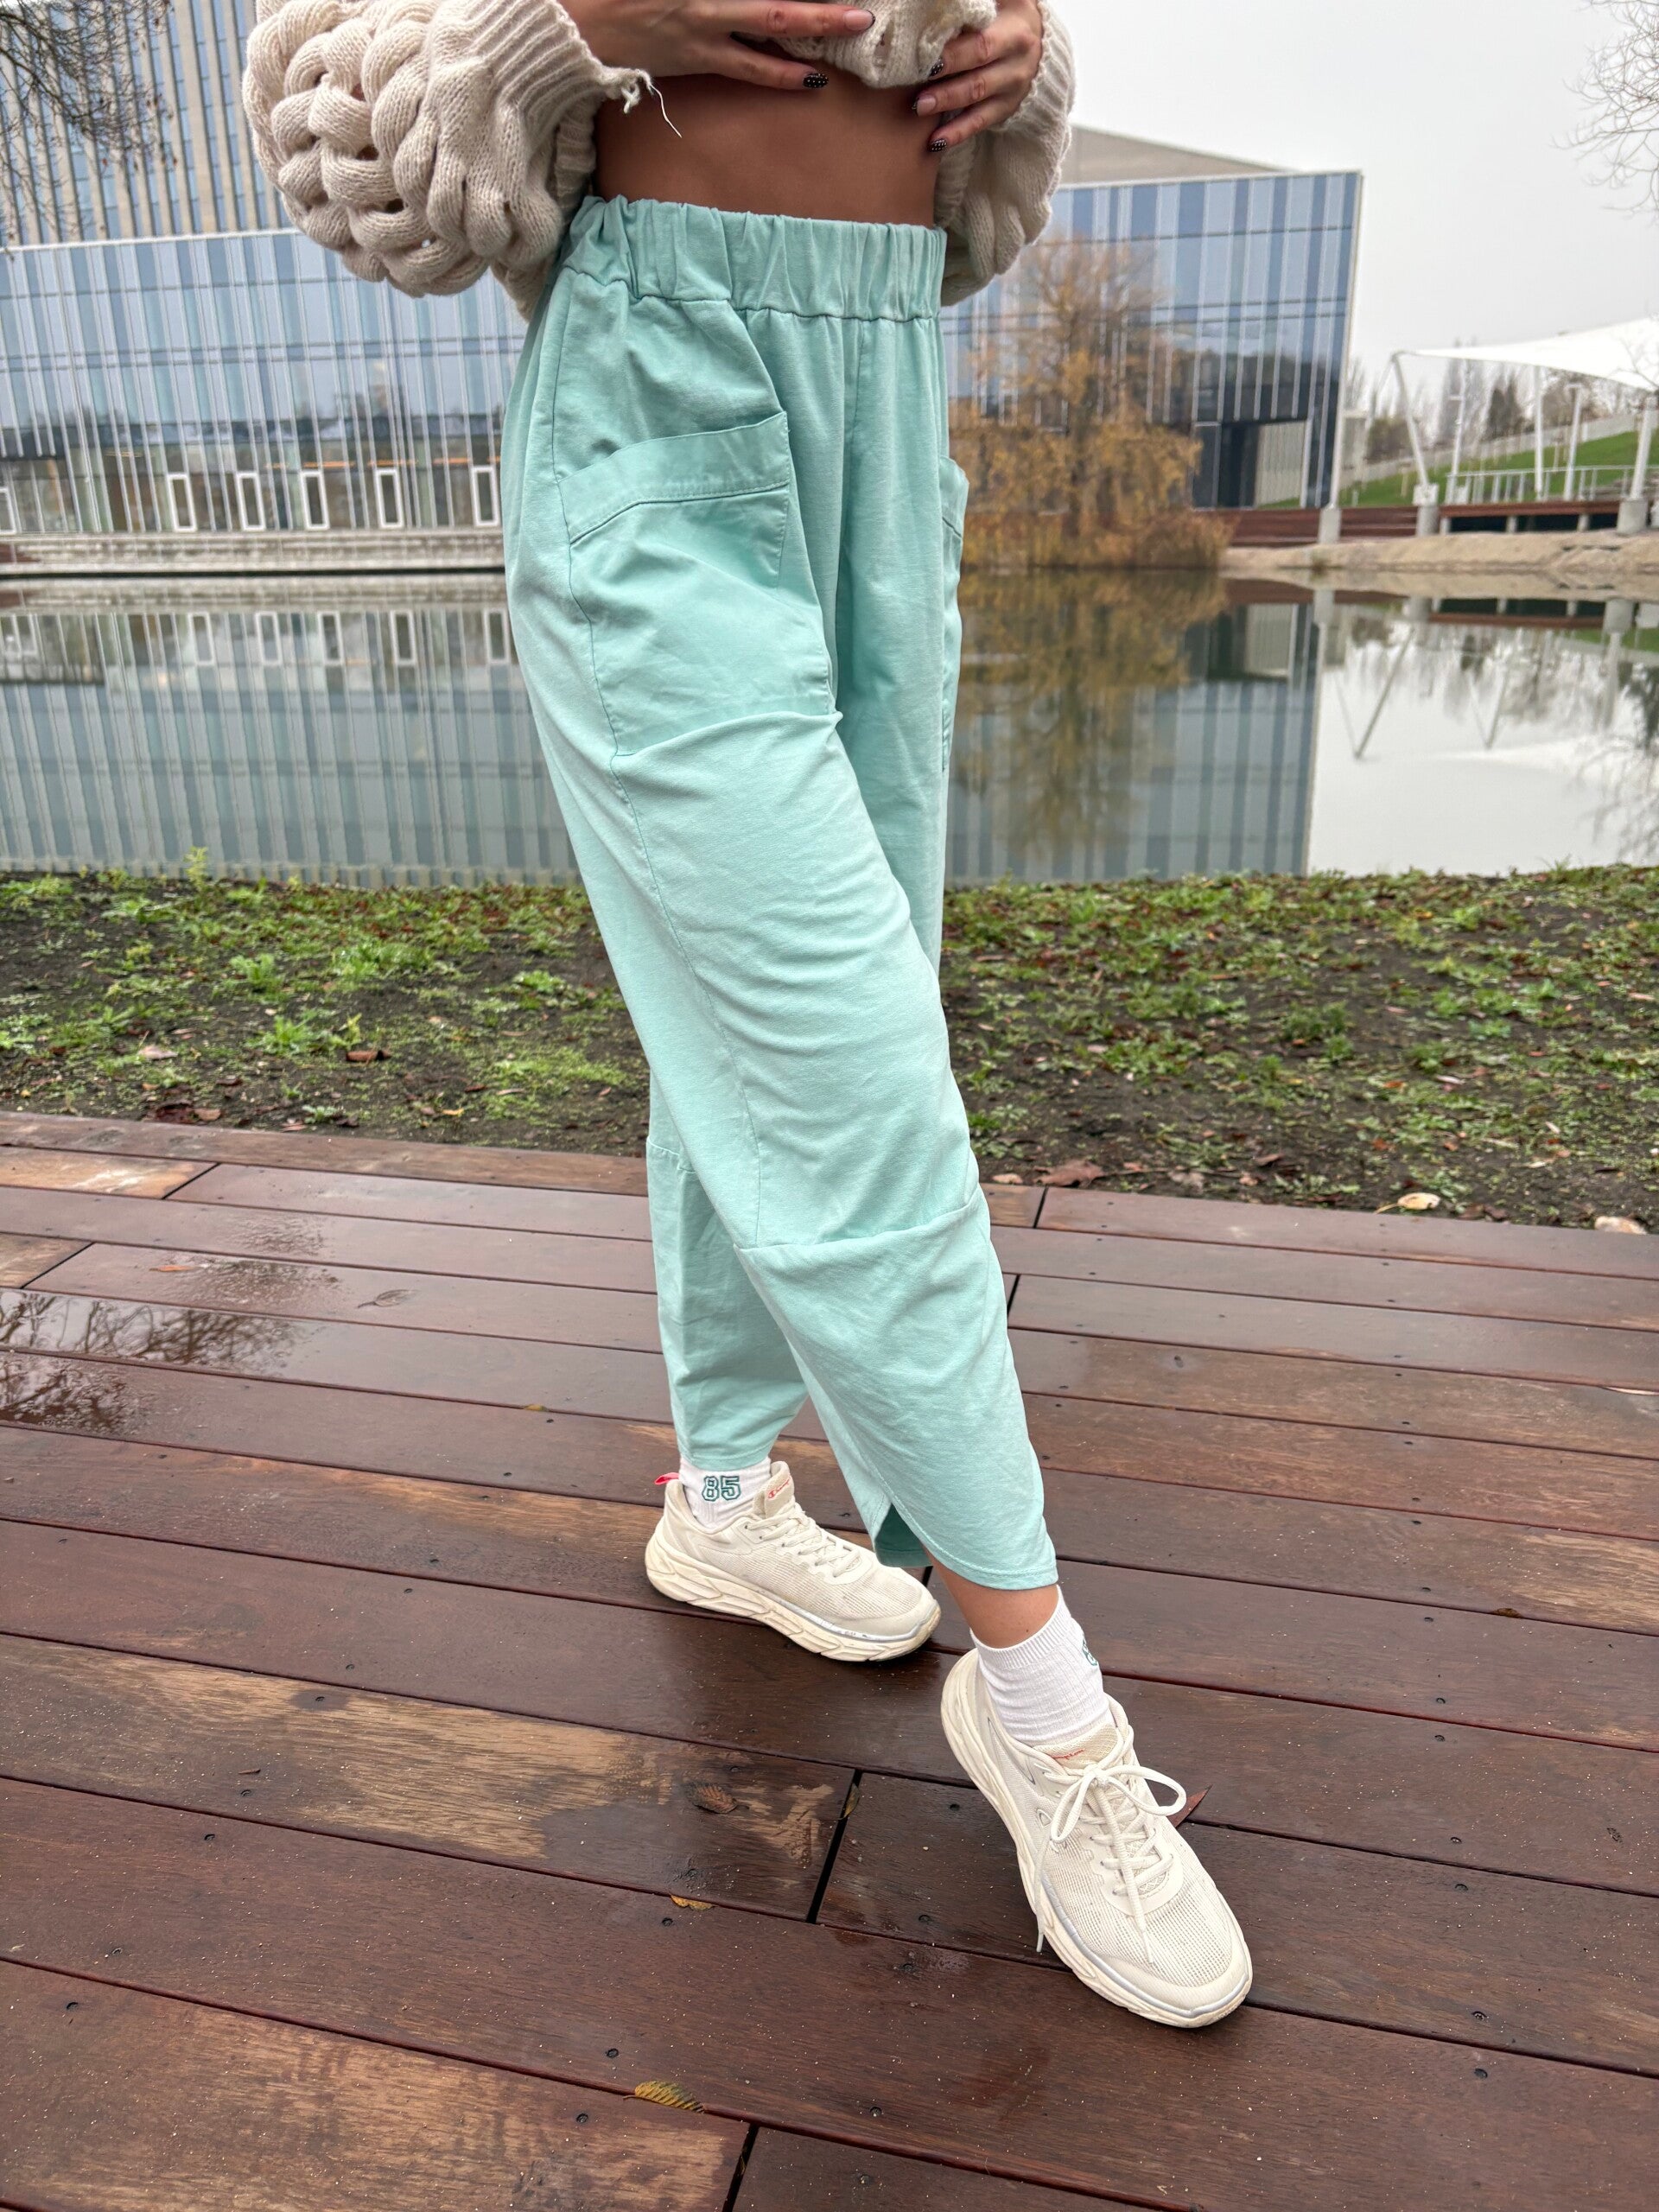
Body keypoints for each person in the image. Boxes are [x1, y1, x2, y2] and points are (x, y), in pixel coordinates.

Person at [244, 0, 1250, 2027]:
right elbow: (332, 130)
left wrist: (1024, 70)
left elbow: (962, 177)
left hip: (882, 392)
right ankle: (1048, 1713)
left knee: (773, 1033)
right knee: (857, 1080)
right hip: (656, 405)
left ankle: (722, 1492)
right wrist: (570, 32)